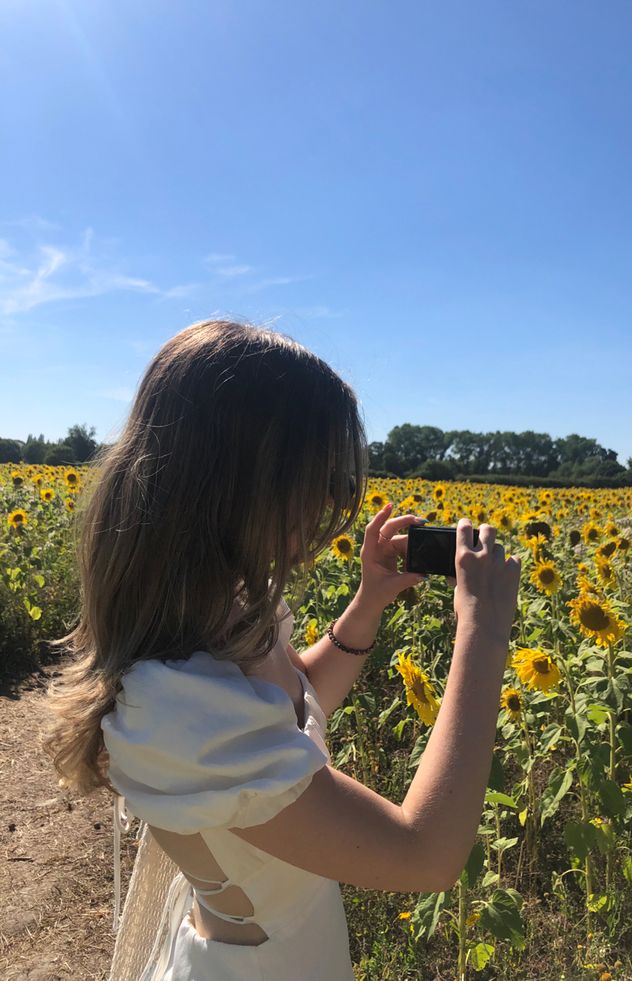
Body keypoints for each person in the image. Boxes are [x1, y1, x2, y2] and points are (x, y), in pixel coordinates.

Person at [40, 319, 521, 980]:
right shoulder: (179, 707)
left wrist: (369, 600)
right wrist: (484, 631)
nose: (331, 503)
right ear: (242, 482)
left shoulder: (226, 608)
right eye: (318, 478)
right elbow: (424, 854)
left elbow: (291, 709)